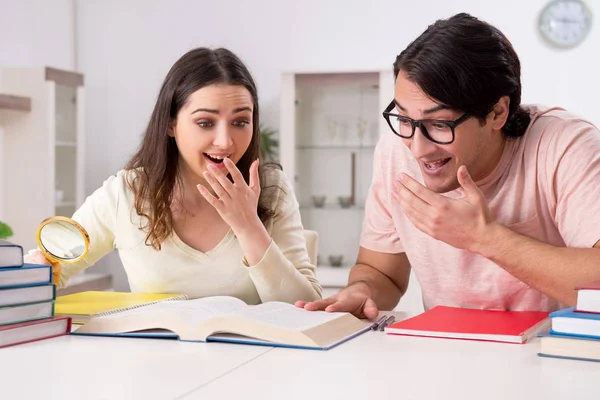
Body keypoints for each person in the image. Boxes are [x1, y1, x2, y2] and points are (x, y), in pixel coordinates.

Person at [297, 13, 600, 319]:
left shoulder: (565, 144)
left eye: (440, 124)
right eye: (404, 118)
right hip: (447, 352)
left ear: (497, 113)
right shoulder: (396, 152)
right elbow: (381, 272)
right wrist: (363, 290)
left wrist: (485, 238)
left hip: (553, 351)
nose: (417, 148)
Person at [27, 47, 322, 305]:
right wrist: (38, 272)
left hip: (249, 363)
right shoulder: (127, 193)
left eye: (240, 121)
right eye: (206, 123)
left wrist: (248, 226)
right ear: (170, 124)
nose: (225, 142)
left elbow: (307, 307)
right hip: (152, 363)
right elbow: (50, 269)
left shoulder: (270, 189)